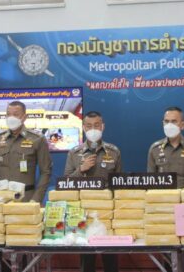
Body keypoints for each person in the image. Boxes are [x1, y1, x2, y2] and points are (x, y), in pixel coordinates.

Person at [64, 111, 121, 272]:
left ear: (102, 127)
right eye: (89, 126)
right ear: (83, 128)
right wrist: (81, 169)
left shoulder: (114, 151)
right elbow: (65, 182)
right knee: (87, 260)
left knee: (110, 259)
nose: (93, 129)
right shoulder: (74, 153)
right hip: (84, 212)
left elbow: (119, 184)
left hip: (107, 212)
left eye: (96, 125)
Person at [0, 101, 52, 202]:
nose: (11, 118)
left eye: (16, 114)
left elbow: (46, 172)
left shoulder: (37, 139)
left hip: (26, 198)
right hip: (0, 199)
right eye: (8, 114)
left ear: (24, 117)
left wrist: (36, 199)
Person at [147, 106, 184, 188]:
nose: (169, 125)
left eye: (174, 121)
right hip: (163, 195)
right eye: (166, 121)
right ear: (163, 124)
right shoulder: (154, 149)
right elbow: (151, 182)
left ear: (183, 125)